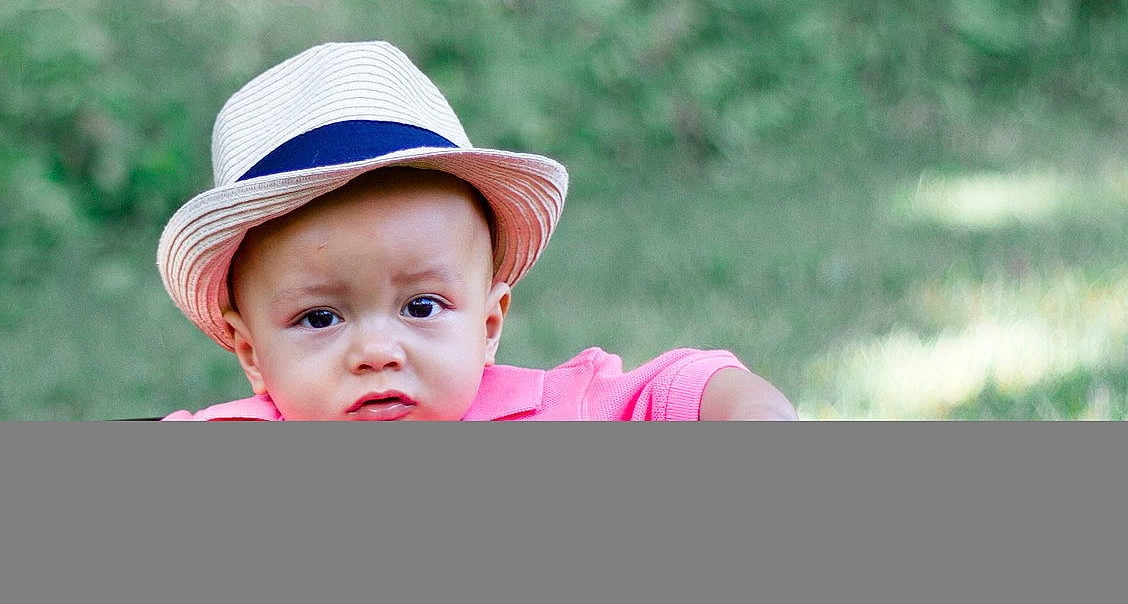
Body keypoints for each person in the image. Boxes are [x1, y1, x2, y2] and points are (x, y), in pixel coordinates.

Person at [155, 40, 796, 420]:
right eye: (320, 318)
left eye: (423, 305)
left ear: (489, 325)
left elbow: (671, 391)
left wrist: (749, 413)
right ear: (250, 352)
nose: (377, 351)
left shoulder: (543, 412)